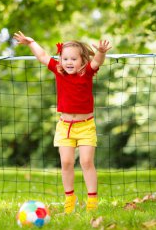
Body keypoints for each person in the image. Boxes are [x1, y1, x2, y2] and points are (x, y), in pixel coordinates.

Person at [13, 31, 111, 213]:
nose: (69, 62)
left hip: (86, 126)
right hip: (65, 126)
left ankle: (92, 200)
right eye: (65, 59)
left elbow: (97, 61)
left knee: (86, 161)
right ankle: (69, 198)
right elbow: (42, 56)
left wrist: (102, 52)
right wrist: (31, 42)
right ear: (60, 60)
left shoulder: (87, 72)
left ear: (82, 60)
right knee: (66, 162)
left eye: (73, 59)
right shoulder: (59, 71)